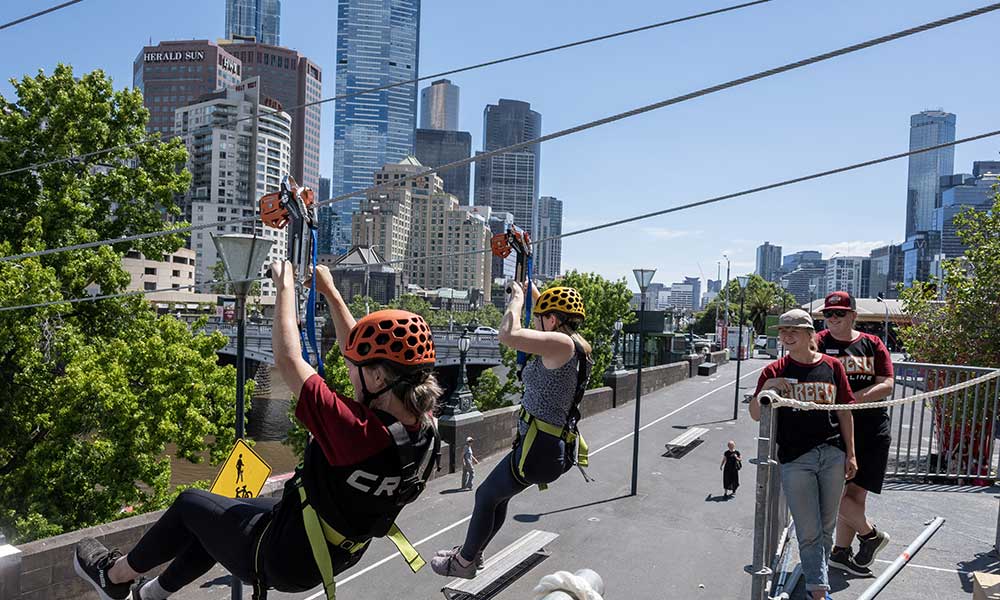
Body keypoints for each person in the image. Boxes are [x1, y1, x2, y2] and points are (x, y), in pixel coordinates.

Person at [73, 262, 443, 600]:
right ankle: (149, 595)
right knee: (218, 513)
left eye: (358, 369)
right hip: (328, 546)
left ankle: (115, 577)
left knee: (189, 506)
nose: (349, 371)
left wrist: (285, 287)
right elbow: (362, 354)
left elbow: (287, 359)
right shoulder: (422, 426)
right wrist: (330, 293)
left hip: (284, 555)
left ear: (379, 377)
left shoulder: (357, 433)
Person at [431, 282, 593, 579]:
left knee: (485, 495)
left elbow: (508, 335)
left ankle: (465, 561)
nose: (537, 323)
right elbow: (544, 317)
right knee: (497, 497)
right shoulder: (578, 344)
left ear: (554, 320)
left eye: (542, 317)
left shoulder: (562, 344)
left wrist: (517, 299)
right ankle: (472, 551)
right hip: (548, 446)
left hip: (538, 450)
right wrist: (532, 290)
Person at [749, 309, 857, 600]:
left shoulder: (833, 366)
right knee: (809, 529)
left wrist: (851, 454)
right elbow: (755, 414)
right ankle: (819, 592)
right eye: (782, 331)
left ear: (810, 334)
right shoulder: (773, 371)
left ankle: (815, 582)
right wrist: (768, 388)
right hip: (796, 458)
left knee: (825, 528)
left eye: (793, 330)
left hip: (833, 454)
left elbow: (845, 411)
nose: (786, 336)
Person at [817, 291, 894, 577]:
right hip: (831, 429)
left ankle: (840, 552)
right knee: (831, 492)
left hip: (871, 429)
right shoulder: (818, 343)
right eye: (828, 314)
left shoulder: (872, 344)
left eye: (839, 313)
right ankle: (870, 535)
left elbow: (886, 383)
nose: (833, 318)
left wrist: (854, 398)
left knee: (855, 496)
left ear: (853, 315)